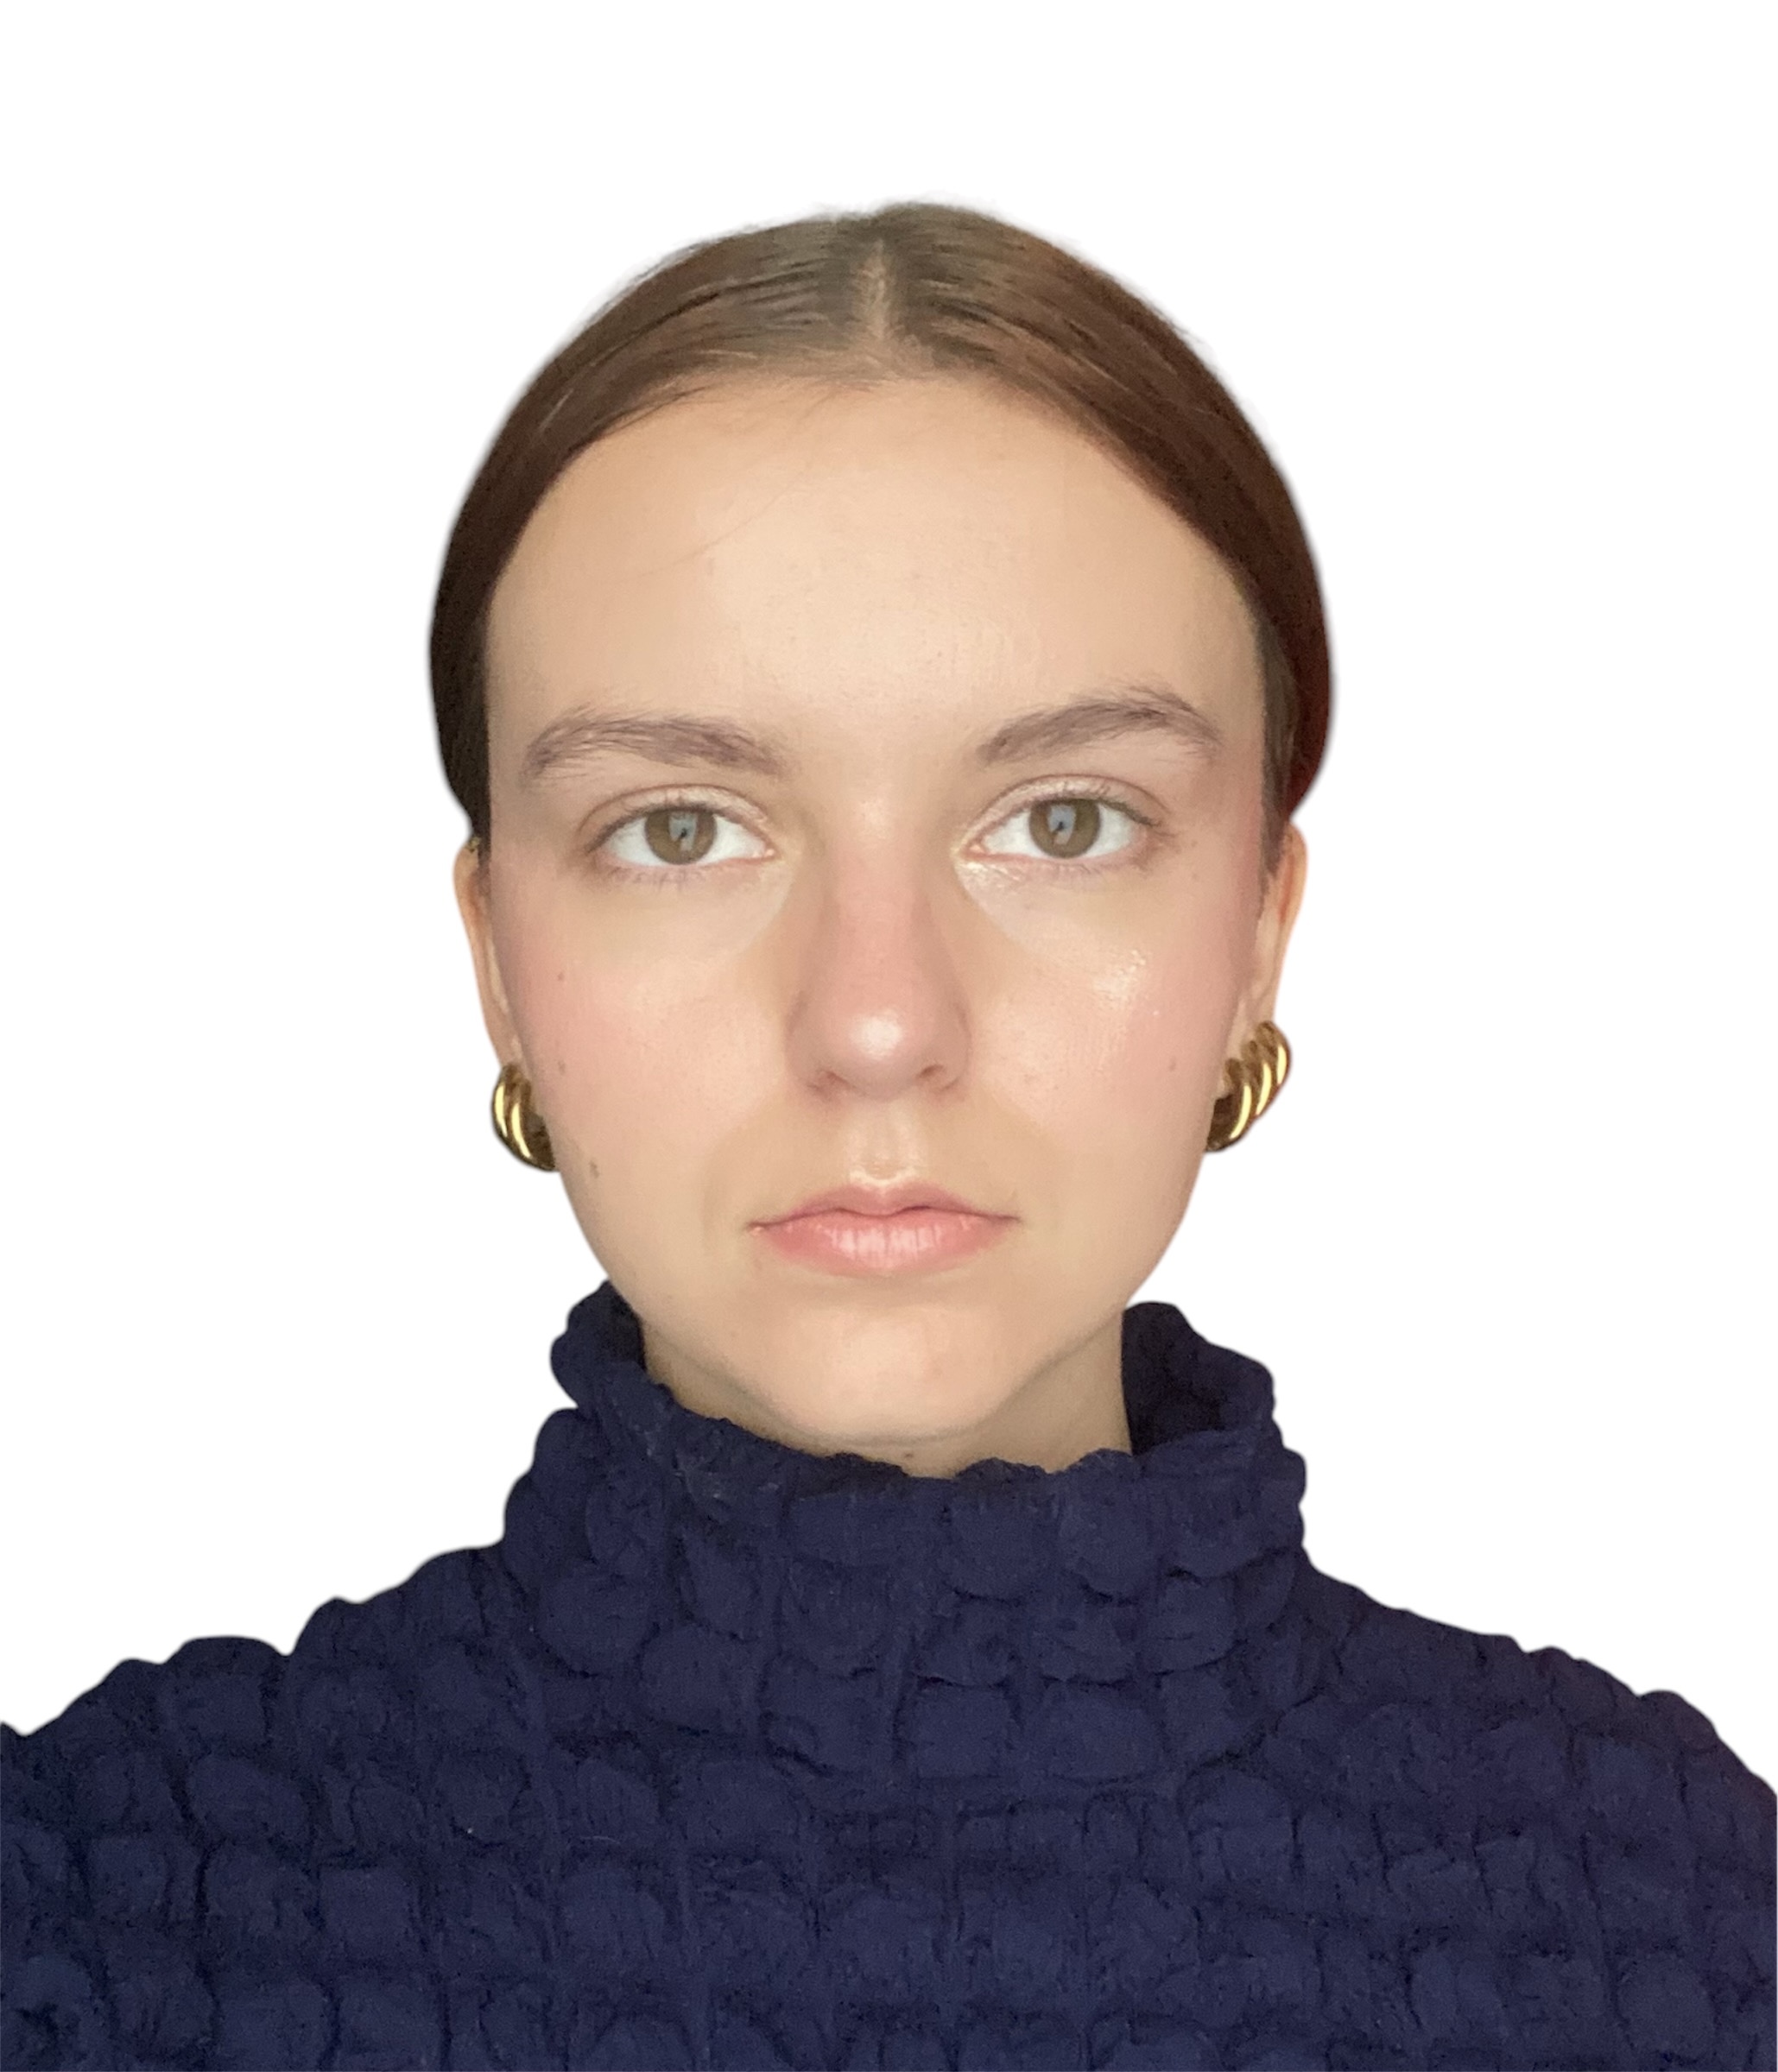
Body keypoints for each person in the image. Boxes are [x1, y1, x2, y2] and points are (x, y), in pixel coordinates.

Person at [3, 200, 1770, 2072]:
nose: (874, 1024)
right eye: (679, 830)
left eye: (1065, 822)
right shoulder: (95, 1913)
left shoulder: (1675, 1916)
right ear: (498, 960)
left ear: (1260, 929)